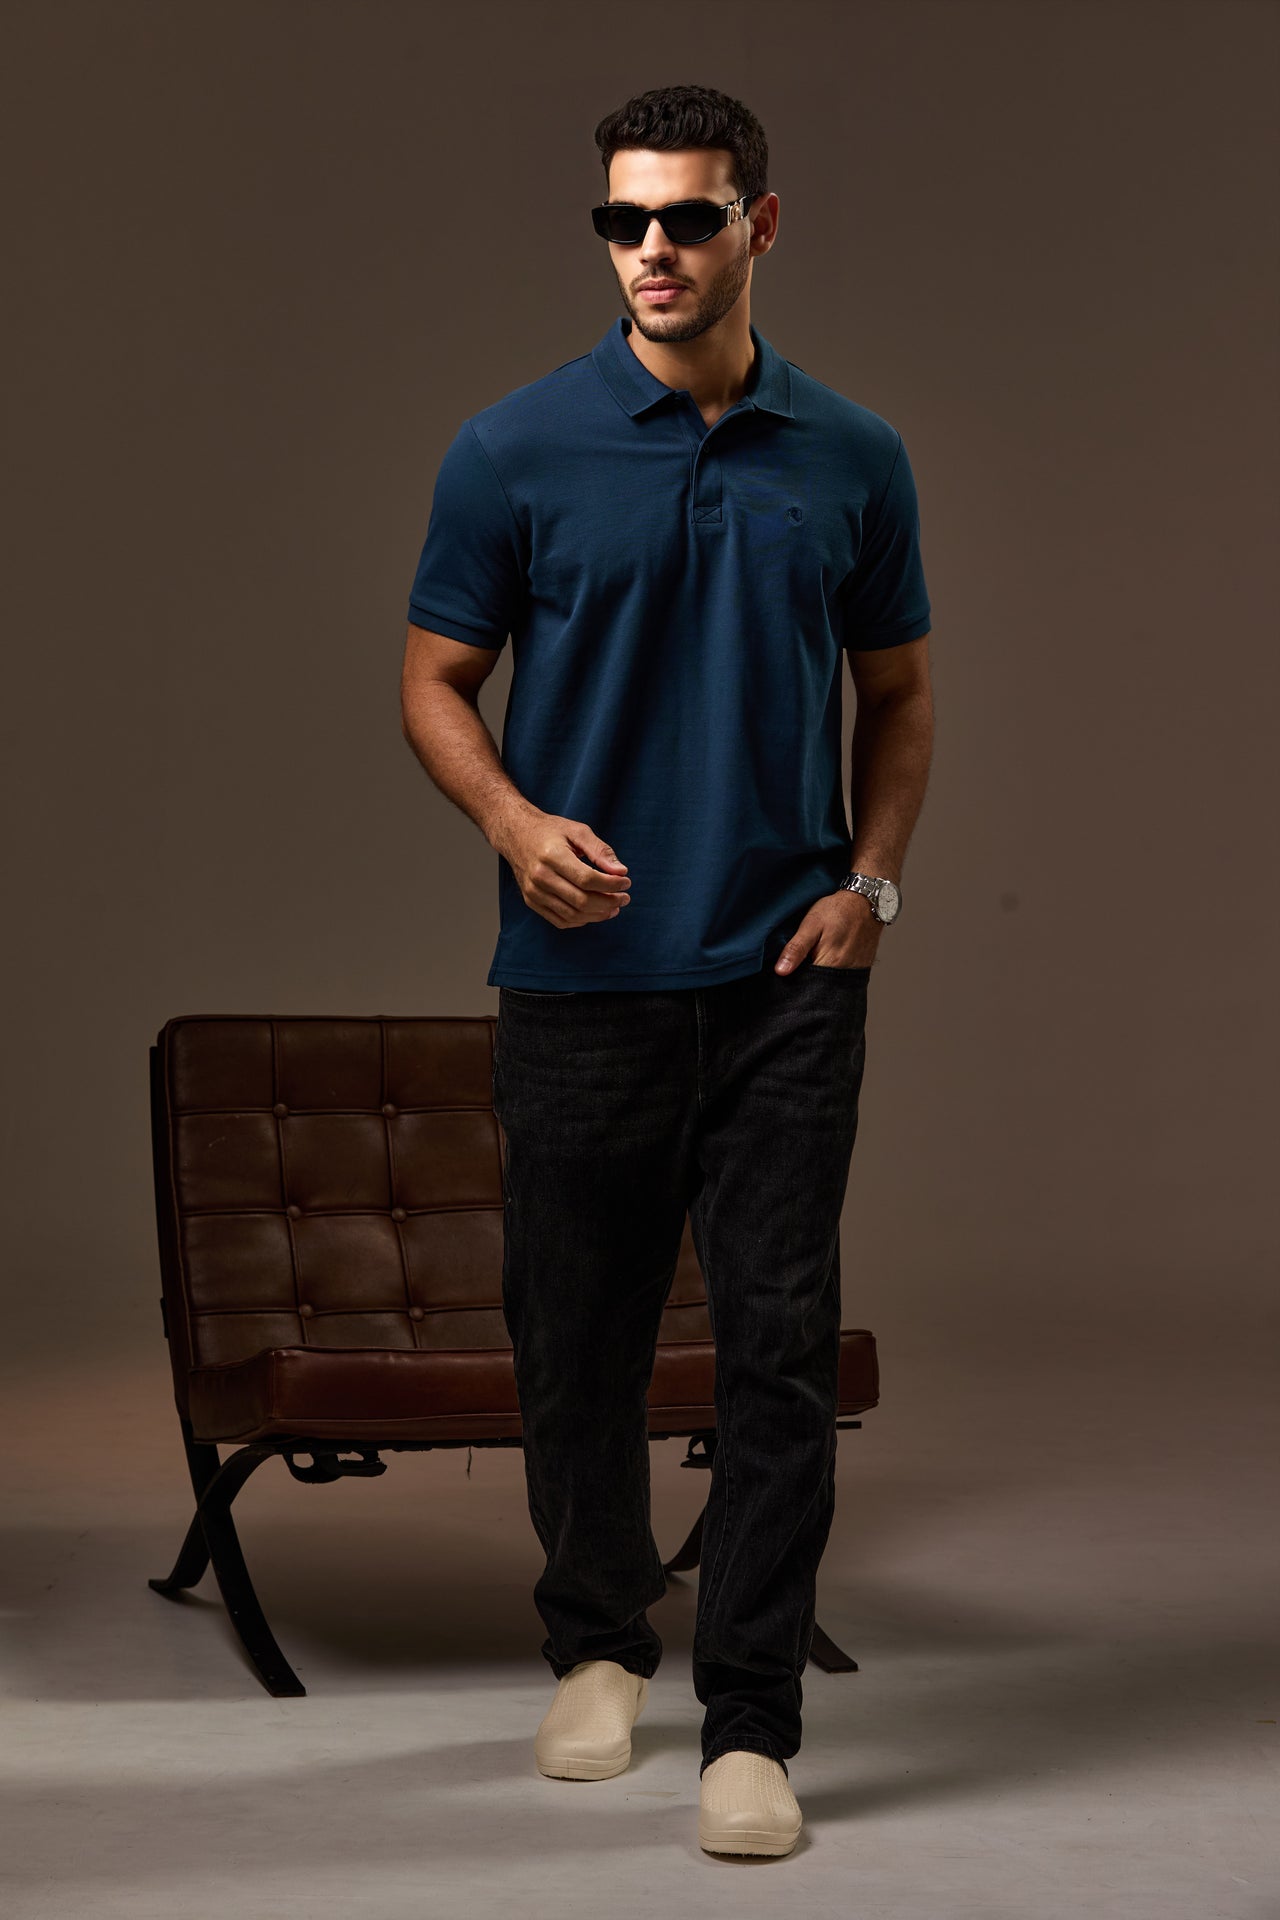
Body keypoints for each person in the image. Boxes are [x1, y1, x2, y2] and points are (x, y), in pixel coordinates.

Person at [400, 81, 934, 1860]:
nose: (650, 250)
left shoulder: (852, 454)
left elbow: (901, 692)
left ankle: (752, 1726)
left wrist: (873, 885)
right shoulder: (511, 450)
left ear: (757, 226)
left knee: (777, 1351)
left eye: (688, 218)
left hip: (788, 975)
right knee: (578, 1341)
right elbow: (431, 678)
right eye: (622, 220)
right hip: (582, 979)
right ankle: (598, 1643)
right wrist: (509, 820)